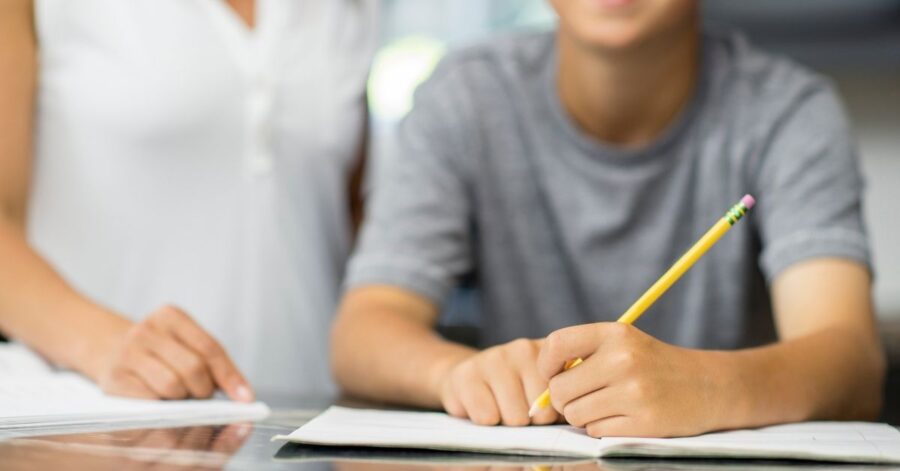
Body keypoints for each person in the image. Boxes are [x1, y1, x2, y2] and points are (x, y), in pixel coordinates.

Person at [330, 0, 886, 437]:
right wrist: (456, 374)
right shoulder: (466, 95)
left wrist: (706, 388)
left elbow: (851, 361)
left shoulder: (789, 112)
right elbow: (364, 329)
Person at [0, 0, 374, 400]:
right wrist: (104, 344)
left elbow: (357, 225)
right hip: (104, 416)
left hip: (303, 426)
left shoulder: (349, 10)